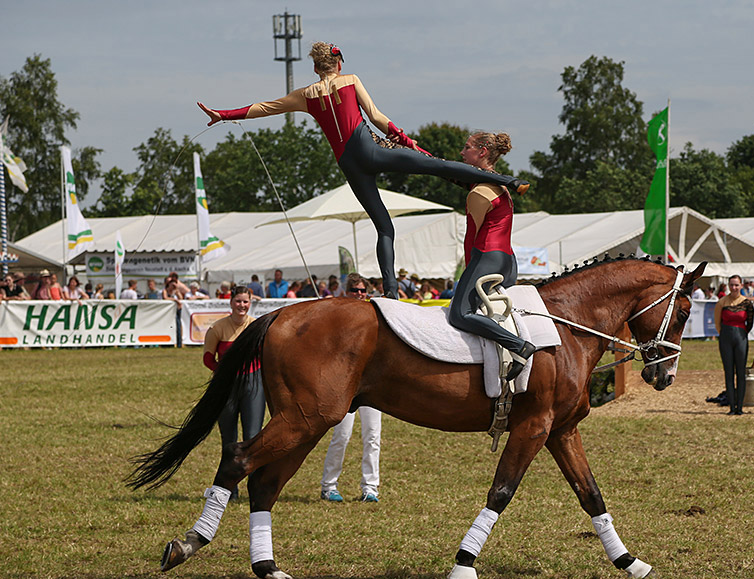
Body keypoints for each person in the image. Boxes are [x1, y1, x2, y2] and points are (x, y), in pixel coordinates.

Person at [198, 42, 529, 299]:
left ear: (315, 67)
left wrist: (223, 115)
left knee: (384, 228)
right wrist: (404, 140)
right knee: (437, 166)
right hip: (370, 151)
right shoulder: (350, 80)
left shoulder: (304, 95)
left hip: (349, 164)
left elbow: (263, 108)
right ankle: (508, 181)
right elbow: (376, 116)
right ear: (338, 63)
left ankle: (389, 291)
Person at [447, 131, 535, 382]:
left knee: (460, 313)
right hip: (508, 261)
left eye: (467, 148)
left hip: (487, 257)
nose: (462, 153)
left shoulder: (480, 192)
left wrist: (467, 270)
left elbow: (471, 237)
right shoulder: (501, 186)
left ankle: (519, 346)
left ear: (482, 152)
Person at [320, 273, 383, 503]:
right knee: (342, 435)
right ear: (347, 292)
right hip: (345, 387)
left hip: (372, 387)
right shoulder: (339, 317)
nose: (359, 294)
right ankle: (329, 485)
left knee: (373, 436)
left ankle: (370, 488)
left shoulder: (375, 317)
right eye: (355, 290)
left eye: (362, 290)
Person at [203, 286, 265, 499]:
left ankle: (255, 489)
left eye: (245, 302)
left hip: (253, 384)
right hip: (226, 387)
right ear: (230, 302)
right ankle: (229, 490)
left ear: (250, 303)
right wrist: (224, 374)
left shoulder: (256, 326)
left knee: (253, 439)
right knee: (229, 440)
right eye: (238, 301)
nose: (242, 306)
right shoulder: (218, 328)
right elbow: (208, 358)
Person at [713, 275, 754, 415]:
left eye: (736, 285)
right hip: (725, 338)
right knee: (729, 372)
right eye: (731, 285)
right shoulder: (722, 302)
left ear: (741, 286)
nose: (734, 288)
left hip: (741, 338)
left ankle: (740, 407)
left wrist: (741, 333)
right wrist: (725, 334)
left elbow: (750, 323)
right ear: (728, 286)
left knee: (741, 372)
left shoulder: (747, 303)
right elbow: (717, 323)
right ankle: (731, 406)